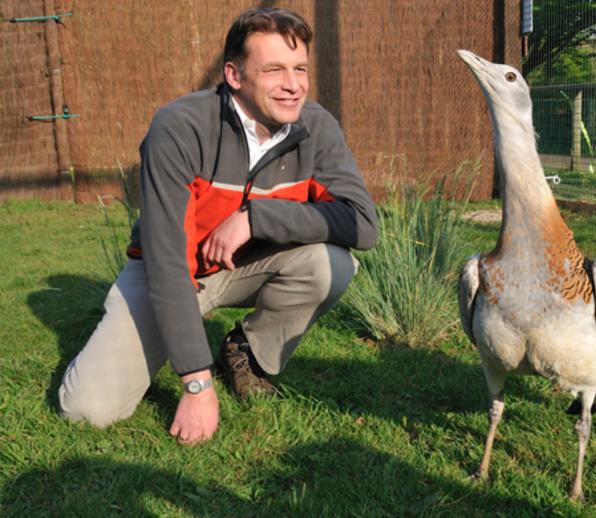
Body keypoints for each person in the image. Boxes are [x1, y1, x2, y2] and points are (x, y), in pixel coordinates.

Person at [58, 7, 377, 445]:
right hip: (170, 276)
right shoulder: (180, 127)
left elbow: (362, 225)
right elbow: (167, 259)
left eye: (300, 68)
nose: (293, 85)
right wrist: (195, 383)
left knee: (332, 265)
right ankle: (169, 344)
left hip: (248, 266)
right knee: (86, 410)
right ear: (234, 74)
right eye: (274, 70)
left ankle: (245, 352)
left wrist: (256, 218)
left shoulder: (316, 127)